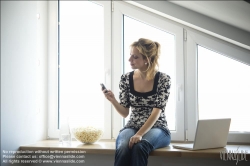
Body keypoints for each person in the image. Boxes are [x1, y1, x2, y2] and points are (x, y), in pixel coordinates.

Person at [102, 38, 171, 166]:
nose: (130, 60)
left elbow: (156, 112)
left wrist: (139, 134)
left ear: (147, 59)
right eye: (130, 56)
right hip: (132, 125)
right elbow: (124, 113)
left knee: (140, 146)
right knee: (123, 146)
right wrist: (113, 100)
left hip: (158, 127)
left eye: (135, 57)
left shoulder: (163, 79)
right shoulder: (126, 79)